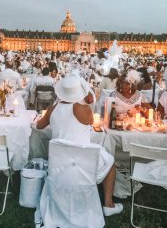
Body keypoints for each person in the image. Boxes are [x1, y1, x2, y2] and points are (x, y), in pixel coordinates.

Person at [35, 75, 123, 216]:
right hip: (83, 161)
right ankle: (108, 204)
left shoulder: (52, 109)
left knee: (105, 158)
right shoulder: (84, 109)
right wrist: (85, 91)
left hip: (59, 162)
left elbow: (39, 126)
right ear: (79, 91)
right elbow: (89, 117)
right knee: (110, 162)